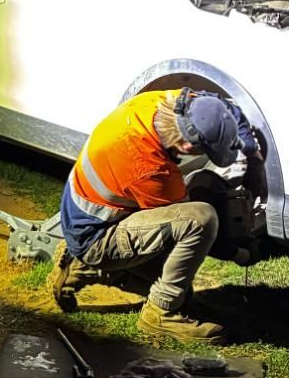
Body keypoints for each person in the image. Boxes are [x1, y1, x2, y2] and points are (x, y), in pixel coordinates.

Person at [52, 87, 262, 343]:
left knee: (183, 289)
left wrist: (251, 152)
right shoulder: (149, 167)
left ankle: (83, 268)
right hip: (96, 237)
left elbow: (216, 101)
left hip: (86, 217)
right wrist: (241, 254)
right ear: (187, 144)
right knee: (200, 219)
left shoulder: (167, 103)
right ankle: (160, 314)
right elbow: (190, 227)